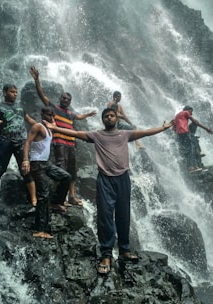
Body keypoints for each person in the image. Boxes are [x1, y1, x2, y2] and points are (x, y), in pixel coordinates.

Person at [43, 107, 174, 275]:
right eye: (106, 116)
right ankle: (106, 255)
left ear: (116, 119)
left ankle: (125, 250)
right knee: (105, 216)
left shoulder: (125, 134)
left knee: (123, 214)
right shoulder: (97, 135)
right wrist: (55, 128)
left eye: (112, 115)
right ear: (103, 120)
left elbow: (146, 132)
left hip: (123, 179)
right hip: (105, 179)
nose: (109, 118)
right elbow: (76, 133)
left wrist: (162, 128)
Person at [30, 66, 97, 207]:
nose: (65, 100)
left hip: (71, 145)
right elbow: (42, 95)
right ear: (60, 98)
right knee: (61, 171)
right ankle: (59, 198)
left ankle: (71, 196)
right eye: (64, 98)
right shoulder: (53, 108)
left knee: (72, 172)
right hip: (59, 144)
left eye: (68, 99)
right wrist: (37, 80)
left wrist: (89, 114)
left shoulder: (70, 114)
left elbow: (79, 116)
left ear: (70, 102)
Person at [0, 84, 37, 210]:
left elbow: (30, 120)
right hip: (4, 141)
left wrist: (43, 126)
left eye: (16, 92)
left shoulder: (20, 106)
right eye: (12, 92)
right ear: (5, 92)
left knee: (26, 169)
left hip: (20, 141)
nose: (15, 94)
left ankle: (34, 199)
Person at [22, 108, 71, 238]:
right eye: (49, 114)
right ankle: (40, 229)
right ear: (42, 114)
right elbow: (27, 142)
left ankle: (56, 202)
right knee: (43, 194)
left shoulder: (50, 129)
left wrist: (53, 125)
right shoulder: (38, 126)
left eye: (52, 115)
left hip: (46, 163)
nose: (51, 117)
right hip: (36, 164)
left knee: (66, 177)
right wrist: (26, 160)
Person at [174, 106, 213, 172]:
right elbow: (195, 122)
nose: (191, 114)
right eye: (191, 111)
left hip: (179, 135)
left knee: (188, 149)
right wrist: (207, 129)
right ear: (187, 110)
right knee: (190, 149)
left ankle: (195, 165)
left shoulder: (177, 116)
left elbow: (175, 127)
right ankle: (192, 167)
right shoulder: (186, 112)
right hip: (185, 133)